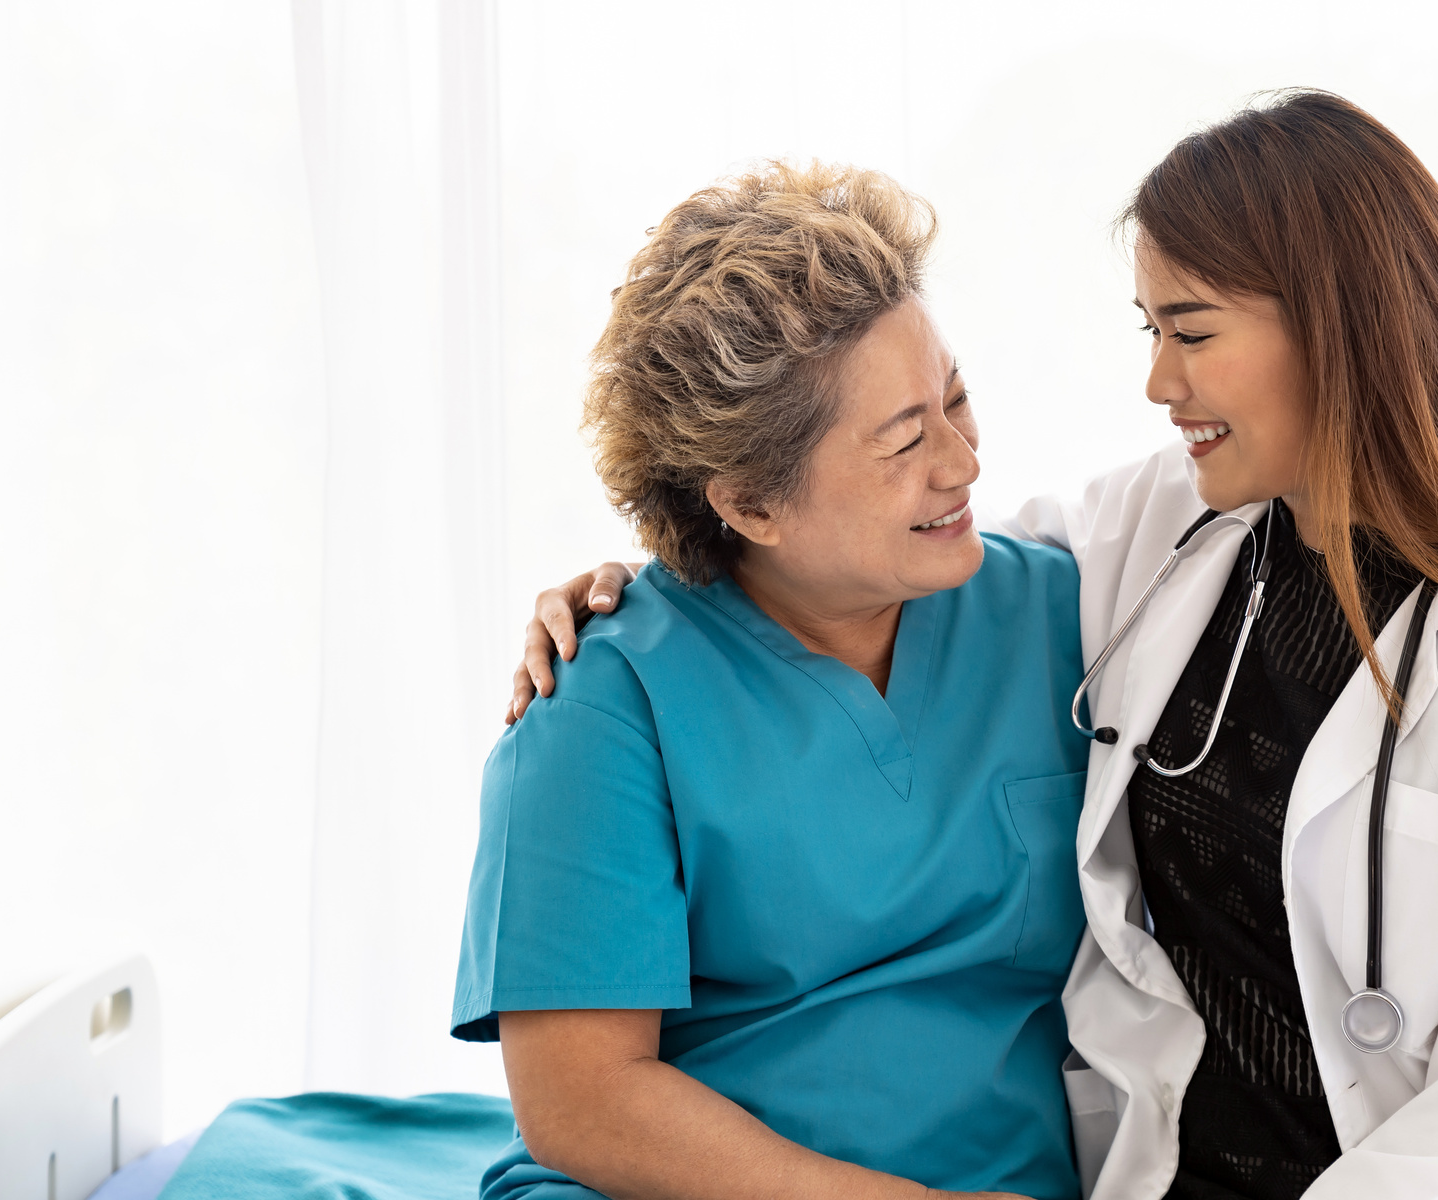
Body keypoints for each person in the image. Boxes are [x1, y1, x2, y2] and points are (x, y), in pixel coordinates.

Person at [508, 94, 1438, 1199]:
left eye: (1188, 331)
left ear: (1342, 328)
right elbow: (577, 1096)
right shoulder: (1155, 543)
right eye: (1150, 328)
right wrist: (643, 583)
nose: (1155, 381)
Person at [453, 161, 1090, 1200]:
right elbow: (581, 1101)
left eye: (956, 398)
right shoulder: (603, 705)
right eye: (903, 440)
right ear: (751, 503)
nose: (963, 461)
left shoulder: (1065, 618)